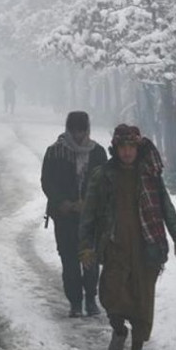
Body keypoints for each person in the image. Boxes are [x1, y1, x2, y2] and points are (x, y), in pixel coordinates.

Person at [79, 124, 176, 350]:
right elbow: (88, 214)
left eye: (131, 147)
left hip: (147, 247)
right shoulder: (103, 176)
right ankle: (119, 330)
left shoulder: (150, 175)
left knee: (143, 301)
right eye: (122, 147)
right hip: (115, 247)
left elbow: (166, 209)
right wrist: (86, 246)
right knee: (111, 295)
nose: (127, 152)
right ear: (115, 149)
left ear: (137, 148)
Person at [42, 111, 107, 318]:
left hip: (92, 216)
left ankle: (90, 297)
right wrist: (63, 203)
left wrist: (90, 203)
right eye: (75, 131)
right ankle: (75, 302)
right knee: (69, 260)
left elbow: (105, 182)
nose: (79, 135)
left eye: (82, 130)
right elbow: (47, 182)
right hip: (64, 216)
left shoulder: (98, 153)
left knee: (91, 259)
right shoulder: (55, 152)